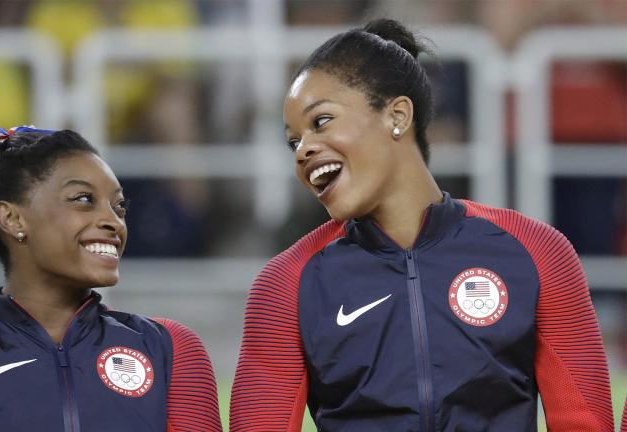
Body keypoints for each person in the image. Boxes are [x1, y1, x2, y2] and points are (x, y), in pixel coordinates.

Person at [230, 18, 613, 431]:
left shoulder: (537, 252)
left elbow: (584, 422)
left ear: (397, 115)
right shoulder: (286, 285)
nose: (303, 151)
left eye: (321, 122)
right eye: (293, 141)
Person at [0, 126, 222, 432]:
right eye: (83, 200)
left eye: (119, 206)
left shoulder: (171, 348)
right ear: (11, 218)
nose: (113, 222)